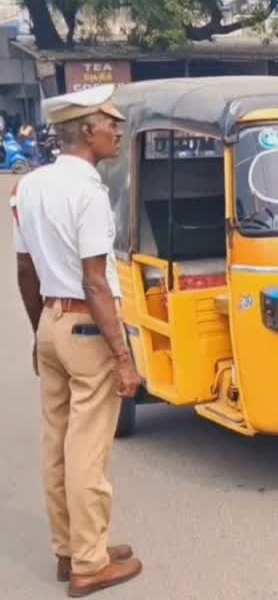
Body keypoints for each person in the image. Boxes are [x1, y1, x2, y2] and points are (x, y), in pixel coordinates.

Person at [10, 84, 143, 595]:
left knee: (57, 446)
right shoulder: (87, 192)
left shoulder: (31, 186)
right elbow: (95, 281)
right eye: (112, 122)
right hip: (87, 326)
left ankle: (71, 550)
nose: (118, 130)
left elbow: (25, 270)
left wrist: (38, 332)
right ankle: (90, 564)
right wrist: (122, 357)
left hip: (51, 321)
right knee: (88, 451)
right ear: (87, 132)